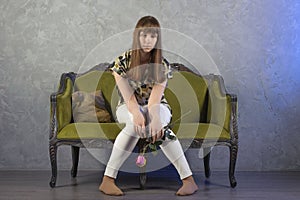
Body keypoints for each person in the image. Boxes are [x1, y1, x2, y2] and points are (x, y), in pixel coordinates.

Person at [99, 16, 198, 196]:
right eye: (144, 35)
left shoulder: (162, 65)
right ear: (137, 36)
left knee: (161, 129)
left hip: (158, 104)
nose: (147, 41)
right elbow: (128, 97)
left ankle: (188, 180)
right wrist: (136, 113)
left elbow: (155, 100)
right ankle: (108, 180)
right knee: (134, 124)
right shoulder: (121, 62)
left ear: (157, 39)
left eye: (152, 36)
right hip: (127, 106)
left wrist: (155, 119)